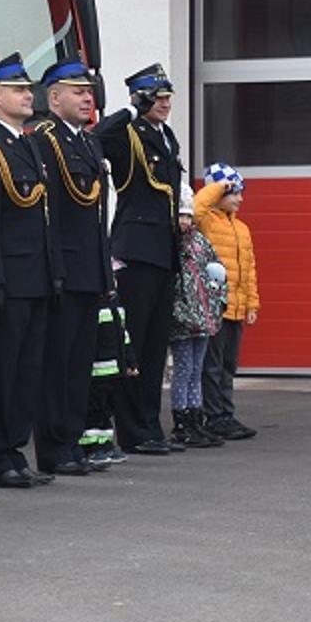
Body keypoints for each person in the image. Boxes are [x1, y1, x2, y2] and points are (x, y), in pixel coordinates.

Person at [0, 53, 62, 489]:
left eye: (28, 89)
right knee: (3, 371)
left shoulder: (27, 144)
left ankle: (15, 452)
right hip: (10, 279)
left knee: (28, 372)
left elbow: (43, 216)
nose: (28, 95)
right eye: (19, 89)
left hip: (36, 277)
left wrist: (53, 271)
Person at [92, 63, 188, 455]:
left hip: (163, 251)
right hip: (135, 250)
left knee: (154, 348)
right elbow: (98, 136)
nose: (163, 104)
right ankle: (133, 430)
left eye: (166, 97)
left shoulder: (166, 136)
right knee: (133, 343)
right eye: (156, 97)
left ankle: (150, 426)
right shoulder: (128, 132)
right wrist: (132, 109)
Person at [29, 58, 113, 477]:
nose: (87, 99)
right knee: (57, 365)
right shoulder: (47, 141)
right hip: (64, 270)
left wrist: (104, 272)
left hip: (89, 269)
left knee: (80, 364)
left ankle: (73, 440)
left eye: (89, 92)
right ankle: (54, 447)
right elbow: (50, 215)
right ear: (54, 97)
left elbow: (95, 217)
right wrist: (55, 270)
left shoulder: (89, 143)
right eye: (78, 92)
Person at [195, 163, 260, 441]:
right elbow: (197, 207)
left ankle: (226, 413)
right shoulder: (206, 221)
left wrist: (251, 304)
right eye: (235, 193)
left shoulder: (242, 228)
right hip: (214, 307)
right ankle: (214, 416)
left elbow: (249, 269)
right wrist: (219, 186)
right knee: (211, 364)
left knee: (228, 365)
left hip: (236, 308)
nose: (240, 199)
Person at [168, 204, 229, 449]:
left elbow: (217, 272)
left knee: (196, 369)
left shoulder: (201, 242)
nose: (184, 221)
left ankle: (195, 418)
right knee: (183, 369)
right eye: (180, 216)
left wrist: (217, 302)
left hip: (204, 317)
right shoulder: (172, 245)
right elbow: (170, 285)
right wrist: (180, 313)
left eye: (187, 216)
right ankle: (181, 422)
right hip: (183, 320)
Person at [80, 298, 133, 465]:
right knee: (92, 410)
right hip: (96, 371)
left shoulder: (116, 307)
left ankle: (105, 442)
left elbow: (124, 336)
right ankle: (90, 446)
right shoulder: (95, 308)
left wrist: (130, 360)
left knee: (106, 410)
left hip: (114, 371)